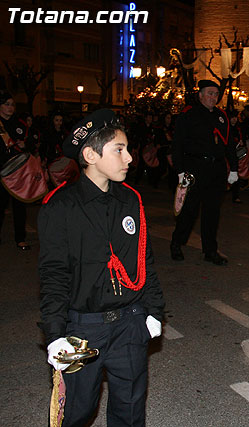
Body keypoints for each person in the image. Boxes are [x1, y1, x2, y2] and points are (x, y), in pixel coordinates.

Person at [38, 109, 165, 426]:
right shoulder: (60, 206)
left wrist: (153, 309)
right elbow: (54, 274)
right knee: (77, 411)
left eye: (127, 149)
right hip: (84, 328)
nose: (130, 158)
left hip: (130, 322)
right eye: (119, 150)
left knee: (131, 409)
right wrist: (55, 334)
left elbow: (143, 259)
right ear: (90, 155)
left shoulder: (131, 199)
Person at [169, 80, 239, 264]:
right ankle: (177, 242)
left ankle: (210, 251)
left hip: (216, 169)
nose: (213, 97)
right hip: (195, 167)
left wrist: (234, 168)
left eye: (216, 94)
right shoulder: (189, 114)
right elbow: (177, 144)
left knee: (212, 212)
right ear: (200, 95)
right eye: (209, 93)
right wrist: (180, 170)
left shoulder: (221, 116)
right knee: (189, 210)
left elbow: (229, 144)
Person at [0, 91, 32, 250]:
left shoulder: (20, 125)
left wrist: (24, 146)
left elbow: (29, 145)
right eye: (7, 104)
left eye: (12, 104)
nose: (10, 107)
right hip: (1, 170)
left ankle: (20, 238)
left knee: (19, 205)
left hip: (17, 171)